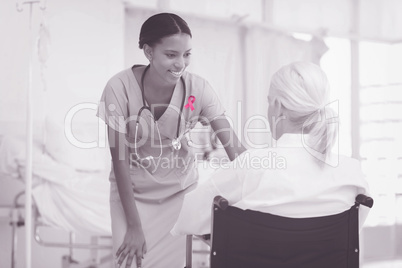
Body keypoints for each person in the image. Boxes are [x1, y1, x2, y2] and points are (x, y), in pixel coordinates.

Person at [96, 13, 245, 268]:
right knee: (128, 263)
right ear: (148, 52)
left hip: (179, 193)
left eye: (187, 54)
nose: (181, 64)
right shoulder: (118, 88)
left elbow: (236, 150)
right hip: (131, 195)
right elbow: (118, 161)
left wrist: (263, 183)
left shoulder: (198, 89)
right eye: (171, 55)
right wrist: (133, 225)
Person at [171, 61, 370, 236]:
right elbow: (348, 235)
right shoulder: (352, 173)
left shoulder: (250, 167)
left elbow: (187, 220)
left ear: (277, 105)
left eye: (268, 102)